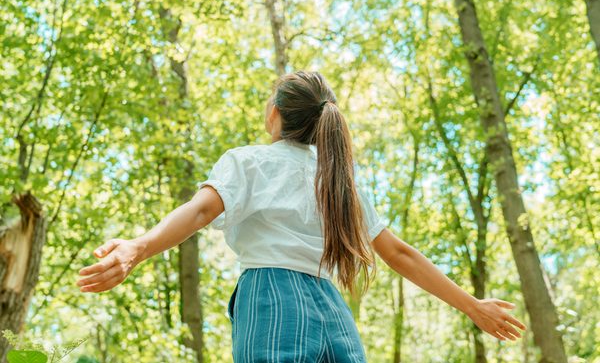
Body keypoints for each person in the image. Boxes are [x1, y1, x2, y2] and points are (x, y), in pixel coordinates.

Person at [76, 70, 526, 362]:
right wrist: (473, 305)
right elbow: (400, 253)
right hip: (332, 309)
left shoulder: (250, 160)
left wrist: (138, 246)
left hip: (271, 296)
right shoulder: (340, 180)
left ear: (275, 114)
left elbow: (198, 213)